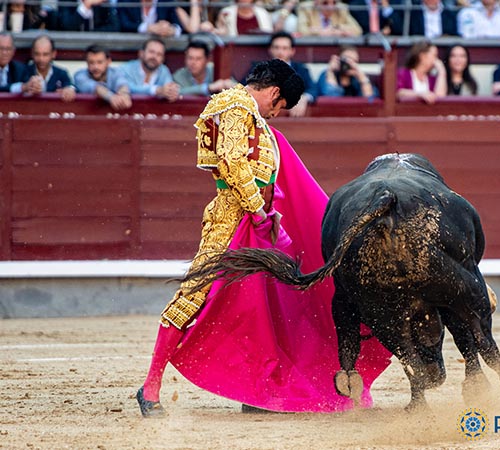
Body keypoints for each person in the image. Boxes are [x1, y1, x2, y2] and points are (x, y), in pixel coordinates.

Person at [136, 58, 392, 416]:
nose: (275, 115)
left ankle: (258, 389)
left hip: (253, 225)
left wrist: (267, 216)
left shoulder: (254, 119)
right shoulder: (233, 104)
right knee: (193, 296)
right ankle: (150, 388)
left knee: (260, 306)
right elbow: (232, 161)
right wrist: (260, 212)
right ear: (273, 93)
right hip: (231, 222)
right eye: (279, 107)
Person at [267, 31, 318, 116]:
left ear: (292, 51)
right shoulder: (259, 69)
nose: (280, 52)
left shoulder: (301, 70)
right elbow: (245, 88)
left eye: (285, 48)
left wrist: (303, 98)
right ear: (270, 49)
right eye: (276, 47)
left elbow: (313, 89)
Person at [17, 35, 76, 102]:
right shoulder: (23, 71)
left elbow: (71, 85)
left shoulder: (61, 73)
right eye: (37, 54)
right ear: (32, 53)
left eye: (45, 54)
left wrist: (69, 89)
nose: (41, 59)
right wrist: (25, 87)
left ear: (53, 54)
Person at [120, 37, 180, 102]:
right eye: (151, 52)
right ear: (141, 53)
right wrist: (156, 90)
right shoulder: (126, 69)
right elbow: (128, 88)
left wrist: (171, 92)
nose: (154, 57)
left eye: (159, 54)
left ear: (163, 59)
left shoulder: (164, 70)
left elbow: (168, 87)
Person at [74, 45, 132, 110]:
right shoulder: (80, 75)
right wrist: (111, 97)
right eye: (91, 62)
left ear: (108, 62)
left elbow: (122, 84)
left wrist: (124, 95)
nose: (95, 67)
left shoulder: (116, 73)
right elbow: (95, 88)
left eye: (99, 62)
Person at [396, 39, 447, 104]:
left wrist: (442, 72)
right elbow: (399, 92)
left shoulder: (432, 78)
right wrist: (420, 94)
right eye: (434, 55)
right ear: (422, 56)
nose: (436, 60)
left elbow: (440, 97)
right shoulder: (403, 73)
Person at [297, 0, 362, 37]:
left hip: (337, 47)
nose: (331, 7)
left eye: (334, 3)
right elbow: (302, 31)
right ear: (316, 2)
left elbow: (358, 31)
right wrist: (322, 32)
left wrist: (336, 28)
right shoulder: (306, 8)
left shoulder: (341, 8)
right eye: (325, 3)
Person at [117, 0, 182, 37]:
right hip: (132, 47)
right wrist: (147, 28)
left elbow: (178, 26)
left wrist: (171, 30)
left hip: (161, 46)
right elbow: (124, 24)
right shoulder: (126, 0)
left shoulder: (167, 1)